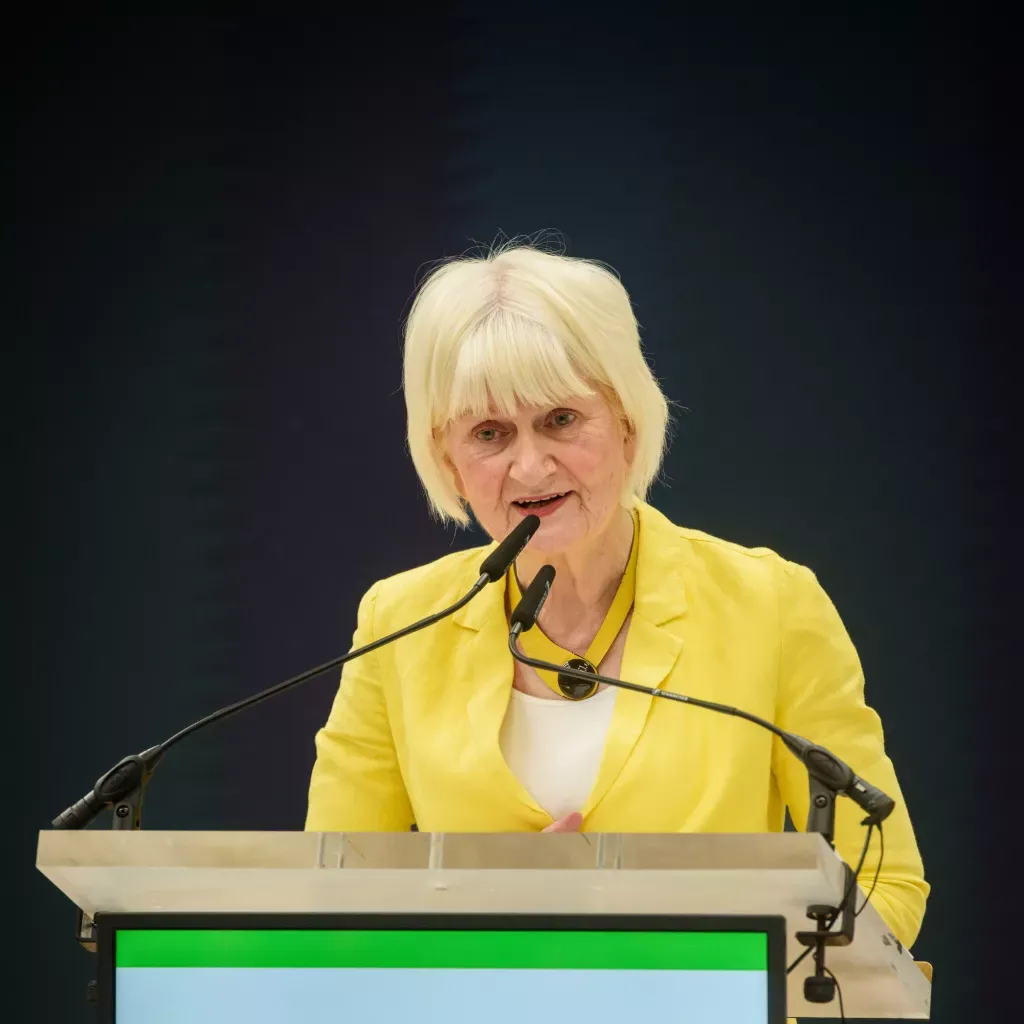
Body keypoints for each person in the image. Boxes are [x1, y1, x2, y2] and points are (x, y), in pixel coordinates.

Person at [305, 243, 928, 951]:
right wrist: (491, 926)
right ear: (448, 458)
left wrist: (707, 972)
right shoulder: (402, 622)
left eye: (562, 420)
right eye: (489, 433)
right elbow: (331, 900)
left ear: (628, 422)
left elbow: (884, 881)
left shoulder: (769, 604)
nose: (530, 464)